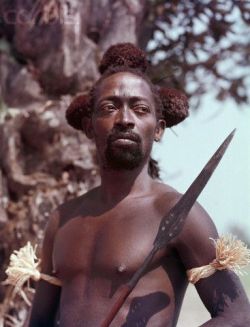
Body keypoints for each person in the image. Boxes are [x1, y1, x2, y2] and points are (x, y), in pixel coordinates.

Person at [28, 43, 250, 327]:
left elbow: (237, 315)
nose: (125, 119)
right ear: (89, 126)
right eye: (110, 108)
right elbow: (38, 322)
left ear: (157, 129)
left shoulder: (178, 214)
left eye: (140, 108)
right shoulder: (63, 220)